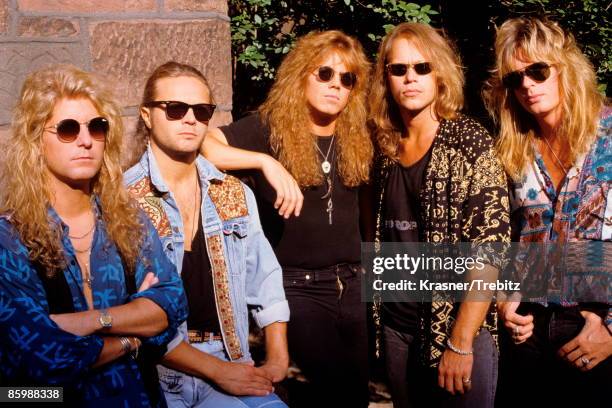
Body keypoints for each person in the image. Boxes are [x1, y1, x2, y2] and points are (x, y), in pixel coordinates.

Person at [203, 31, 373, 407]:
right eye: (325, 74)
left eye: (347, 79)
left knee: (356, 391)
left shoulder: (358, 133)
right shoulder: (269, 130)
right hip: (298, 286)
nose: (336, 86)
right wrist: (265, 162)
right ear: (301, 75)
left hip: (354, 284)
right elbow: (204, 144)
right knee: (337, 387)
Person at [0, 65, 188, 407]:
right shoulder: (9, 239)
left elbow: (172, 305)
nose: (86, 140)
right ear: (35, 141)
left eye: (97, 127)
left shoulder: (129, 221)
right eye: (68, 129)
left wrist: (90, 320)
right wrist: (134, 336)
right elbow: (41, 361)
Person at [124, 61, 290, 408]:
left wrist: (276, 359)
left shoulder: (233, 193)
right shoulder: (123, 200)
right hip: (156, 371)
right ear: (146, 115)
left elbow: (266, 280)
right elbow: (127, 312)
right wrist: (215, 371)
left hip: (232, 358)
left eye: (201, 111)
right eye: (175, 108)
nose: (189, 119)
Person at [368, 22, 511, 407]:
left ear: (440, 75)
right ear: (386, 78)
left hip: (456, 328)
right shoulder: (383, 147)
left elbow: (491, 251)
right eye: (399, 69)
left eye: (422, 67)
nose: (410, 78)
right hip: (397, 328)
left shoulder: (469, 141)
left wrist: (461, 343)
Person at [483, 16, 612, 407]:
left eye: (537, 71)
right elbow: (511, 236)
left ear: (565, 68)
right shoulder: (515, 148)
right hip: (530, 328)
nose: (526, 85)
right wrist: (507, 297)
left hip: (597, 328)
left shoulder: (609, 133)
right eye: (515, 78)